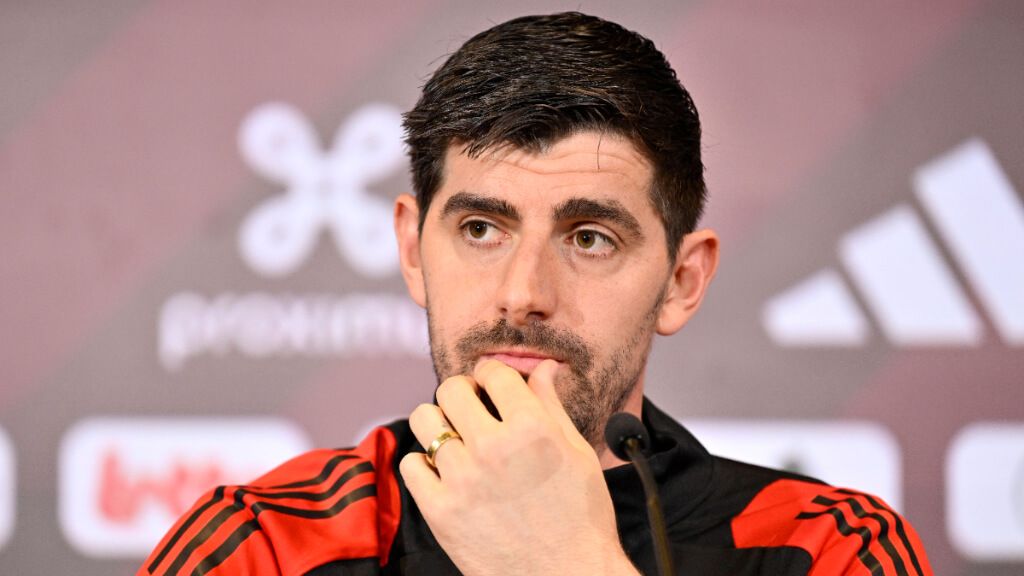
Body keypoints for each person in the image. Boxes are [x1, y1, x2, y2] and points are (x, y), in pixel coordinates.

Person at [139, 12, 931, 576]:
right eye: (482, 229)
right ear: (414, 250)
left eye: (590, 238)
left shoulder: (826, 550)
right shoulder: (263, 548)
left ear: (681, 282)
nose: (523, 294)